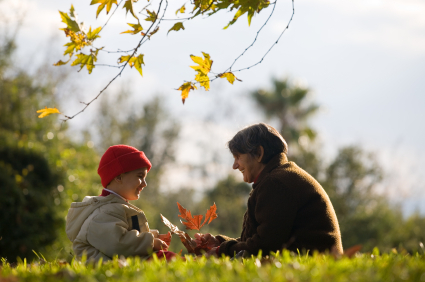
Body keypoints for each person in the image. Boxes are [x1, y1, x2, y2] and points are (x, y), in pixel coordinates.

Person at [196, 123, 343, 257]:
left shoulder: (276, 183)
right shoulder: (279, 177)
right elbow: (258, 240)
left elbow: (265, 246)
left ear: (259, 153)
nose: (235, 166)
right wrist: (219, 243)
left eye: (238, 157)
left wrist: (221, 251)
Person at [66, 145, 175, 262]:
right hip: (111, 266)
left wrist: (153, 236)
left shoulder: (115, 207)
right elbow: (119, 244)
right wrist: (151, 243)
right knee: (167, 259)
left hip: (127, 261)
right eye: (140, 176)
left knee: (167, 257)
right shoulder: (103, 212)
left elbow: (125, 233)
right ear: (118, 177)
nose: (145, 184)